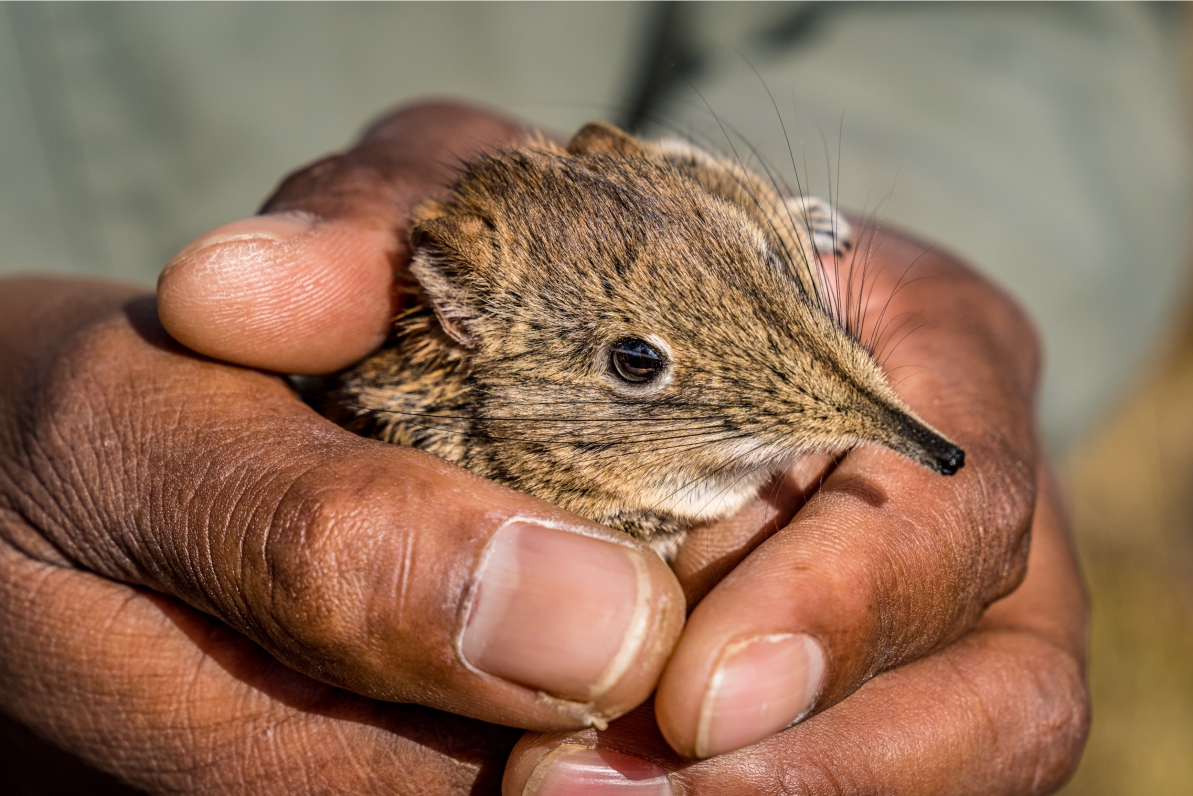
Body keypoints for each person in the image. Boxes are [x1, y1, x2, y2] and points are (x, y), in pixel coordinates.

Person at [0, 102, 1088, 794]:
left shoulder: (701, 216)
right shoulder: (442, 418)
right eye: (636, 365)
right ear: (462, 315)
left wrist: (954, 271)